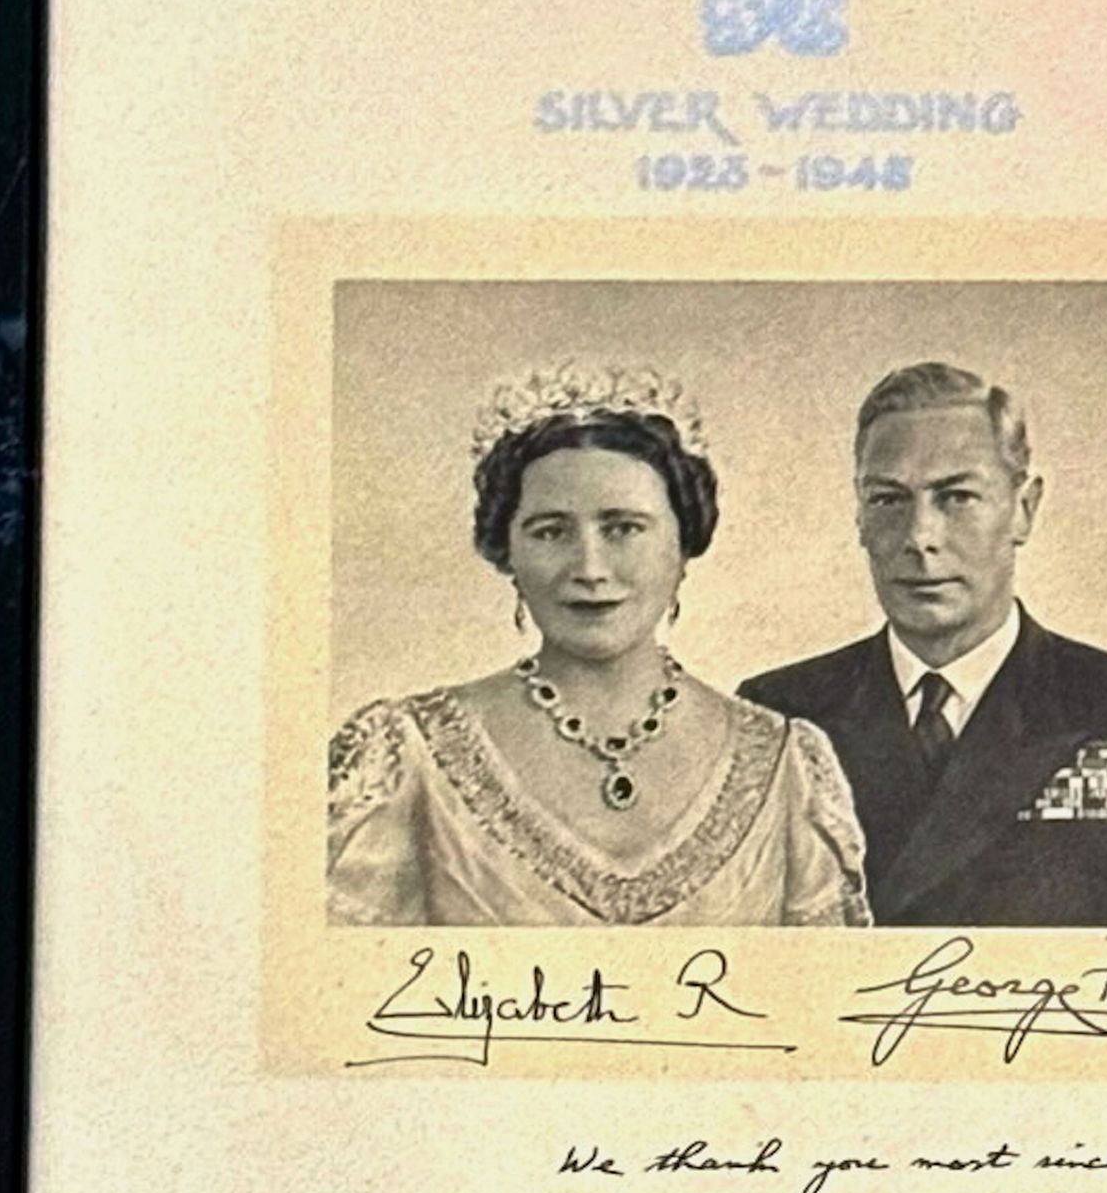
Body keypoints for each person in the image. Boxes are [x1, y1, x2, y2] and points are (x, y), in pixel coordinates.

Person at [328, 367, 869, 926]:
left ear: (683, 544)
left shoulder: (785, 763)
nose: (589, 568)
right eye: (550, 531)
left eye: (623, 528)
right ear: (506, 550)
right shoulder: (408, 754)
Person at [740, 362, 1107, 928]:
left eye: (957, 497)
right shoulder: (777, 714)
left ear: (1024, 509)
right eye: (889, 500)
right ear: (859, 517)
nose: (920, 538)